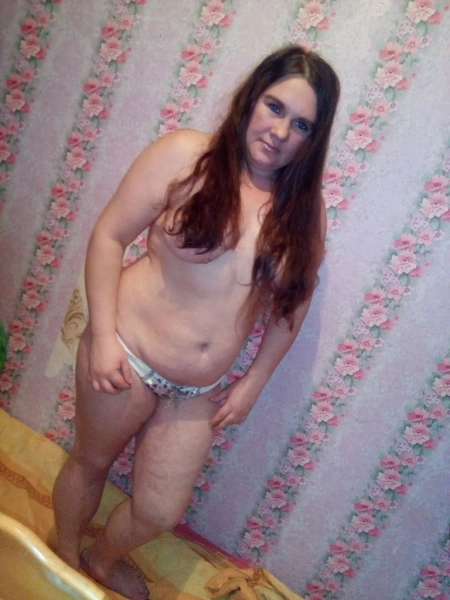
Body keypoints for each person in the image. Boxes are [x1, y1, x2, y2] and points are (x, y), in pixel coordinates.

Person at [52, 45, 340, 600]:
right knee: (90, 463)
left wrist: (254, 382)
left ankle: (100, 560)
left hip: (199, 389)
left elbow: (292, 306)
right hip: (127, 352)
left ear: (314, 137)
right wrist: (104, 336)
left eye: (302, 124)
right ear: (251, 98)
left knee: (160, 509)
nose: (281, 131)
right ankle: (62, 561)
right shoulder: (186, 155)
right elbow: (109, 236)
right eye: (275, 107)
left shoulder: (305, 211)